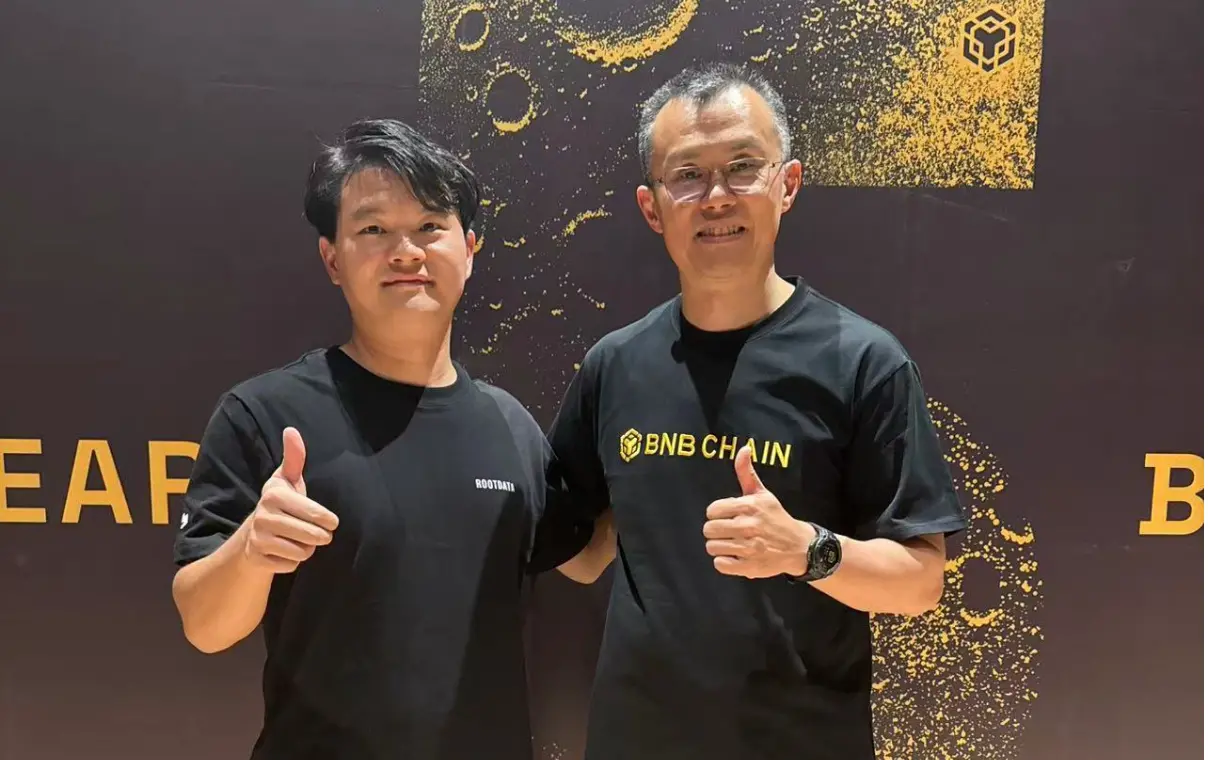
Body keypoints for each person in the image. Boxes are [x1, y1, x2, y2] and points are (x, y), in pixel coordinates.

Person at [547, 62, 968, 760]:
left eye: (743, 167)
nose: (716, 198)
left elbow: (921, 582)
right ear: (652, 207)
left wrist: (804, 548)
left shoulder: (863, 361)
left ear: (787, 184)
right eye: (688, 175)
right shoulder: (615, 365)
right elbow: (584, 553)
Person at [170, 118, 614, 760]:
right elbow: (204, 625)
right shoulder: (263, 414)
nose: (406, 252)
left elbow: (583, 555)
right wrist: (253, 549)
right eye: (373, 229)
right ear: (333, 259)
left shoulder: (510, 425)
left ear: (469, 250)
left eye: (430, 225)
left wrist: (661, 473)